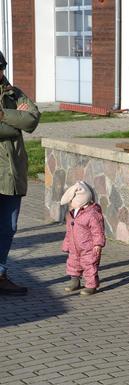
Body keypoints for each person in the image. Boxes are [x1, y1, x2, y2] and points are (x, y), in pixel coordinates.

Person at [0, 50, 40, 296]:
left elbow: (32, 120)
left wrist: (5, 115)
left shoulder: (14, 93)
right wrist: (15, 125)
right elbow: (19, 126)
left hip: (13, 174)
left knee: (8, 227)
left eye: (1, 67)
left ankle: (0, 274)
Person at [60, 181, 105, 295]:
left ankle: (91, 285)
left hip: (88, 247)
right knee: (73, 264)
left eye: (71, 201)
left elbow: (97, 231)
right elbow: (69, 231)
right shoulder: (72, 213)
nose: (69, 204)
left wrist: (98, 244)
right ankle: (75, 281)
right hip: (74, 247)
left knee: (89, 265)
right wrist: (67, 243)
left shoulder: (92, 214)